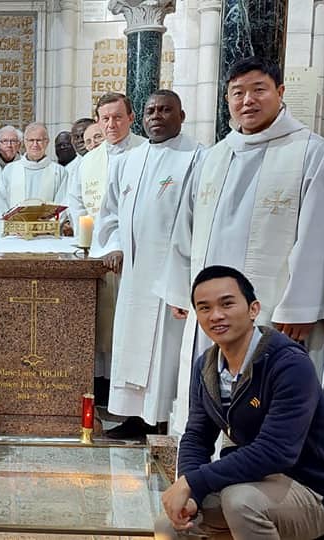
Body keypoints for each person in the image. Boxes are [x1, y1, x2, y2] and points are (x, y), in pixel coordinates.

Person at [163, 56, 324, 435]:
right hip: (210, 309)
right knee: (210, 392)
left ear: (280, 92)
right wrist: (181, 289)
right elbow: (186, 228)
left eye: (258, 90)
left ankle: (260, 478)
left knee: (263, 404)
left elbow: (317, 236)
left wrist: (300, 305)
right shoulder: (214, 155)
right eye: (237, 93)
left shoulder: (311, 151)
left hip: (274, 309)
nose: (247, 101)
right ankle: (202, 467)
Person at [155, 265, 324, 540]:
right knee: (168, 525)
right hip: (250, 482)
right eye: (204, 308)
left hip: (307, 491)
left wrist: (195, 482)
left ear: (253, 309)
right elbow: (197, 437)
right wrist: (192, 493)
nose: (216, 315)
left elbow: (276, 451)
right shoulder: (206, 366)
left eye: (227, 304)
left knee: (239, 501)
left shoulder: (289, 364)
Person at [96, 90, 203, 439]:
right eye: (150, 110)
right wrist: (114, 245)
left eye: (165, 110)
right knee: (131, 348)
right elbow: (109, 212)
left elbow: (200, 221)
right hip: (134, 275)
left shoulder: (197, 158)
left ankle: (161, 420)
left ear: (181, 116)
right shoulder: (129, 160)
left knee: (165, 354)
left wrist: (188, 281)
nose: (156, 116)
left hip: (171, 277)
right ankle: (134, 418)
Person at [68, 92, 144, 405]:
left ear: (131, 118)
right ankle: (101, 389)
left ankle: (129, 398)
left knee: (130, 328)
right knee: (100, 324)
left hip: (136, 257)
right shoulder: (89, 161)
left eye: (117, 117)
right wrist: (90, 241)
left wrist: (123, 245)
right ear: (98, 120)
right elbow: (76, 202)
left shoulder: (145, 151)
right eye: (105, 118)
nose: (111, 124)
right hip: (98, 255)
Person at [0, 122, 69, 233]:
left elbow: (62, 205)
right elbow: (1, 205)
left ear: (47, 142)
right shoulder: (10, 170)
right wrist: (1, 233)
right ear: (24, 142)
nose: (35, 144)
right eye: (31, 140)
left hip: (46, 235)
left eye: (39, 140)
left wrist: (44, 227)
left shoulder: (59, 171)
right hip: (14, 235)